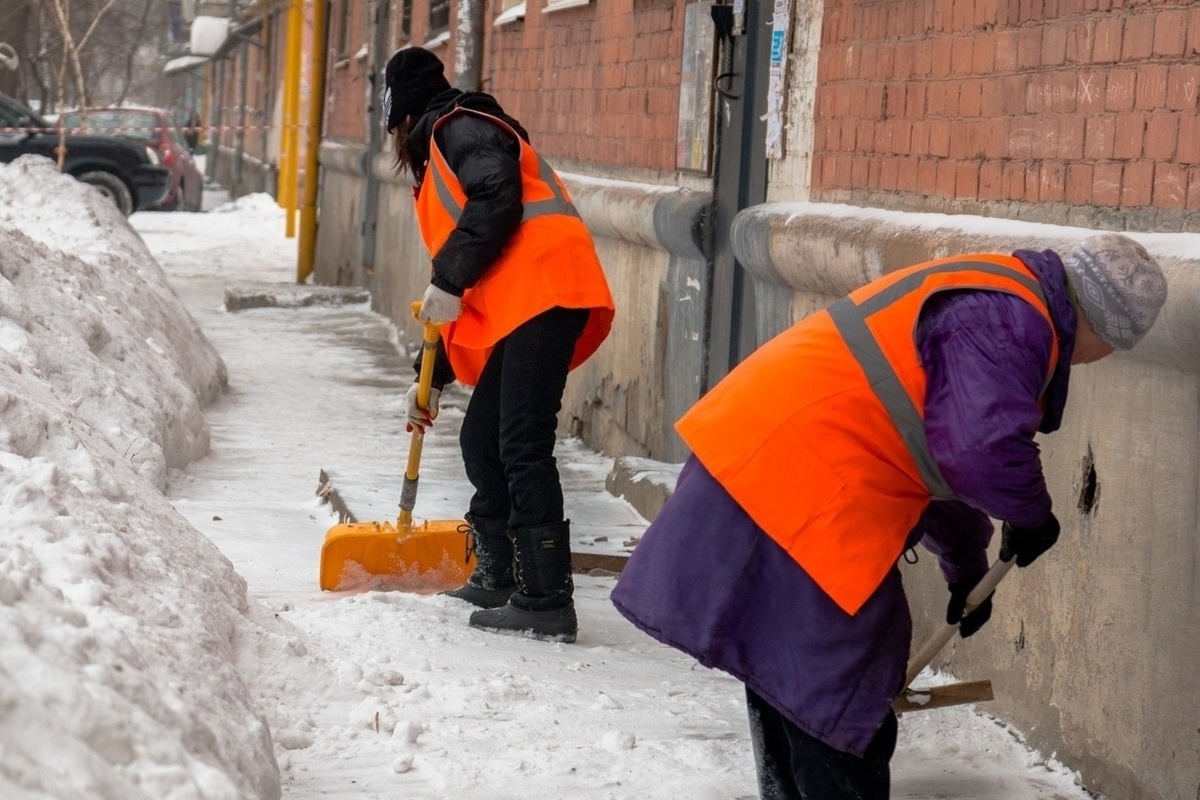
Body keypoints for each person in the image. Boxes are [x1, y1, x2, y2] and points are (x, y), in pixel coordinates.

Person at [610, 234, 1168, 798]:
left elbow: (927, 444)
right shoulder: (1014, 322)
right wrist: (1031, 514)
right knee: (845, 683)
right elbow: (976, 450)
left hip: (760, 452)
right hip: (802, 477)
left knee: (789, 667)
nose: (1102, 361)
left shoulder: (999, 289)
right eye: (1115, 348)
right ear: (1100, 327)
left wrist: (966, 566)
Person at [382, 47, 615, 643]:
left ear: (404, 118)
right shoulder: (443, 152)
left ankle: (544, 599)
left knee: (522, 443)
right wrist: (427, 378)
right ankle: (498, 575)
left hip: (550, 288)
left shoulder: (461, 128)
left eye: (393, 129)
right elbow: (463, 279)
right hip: (527, 295)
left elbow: (497, 198)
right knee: (482, 436)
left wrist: (449, 278)